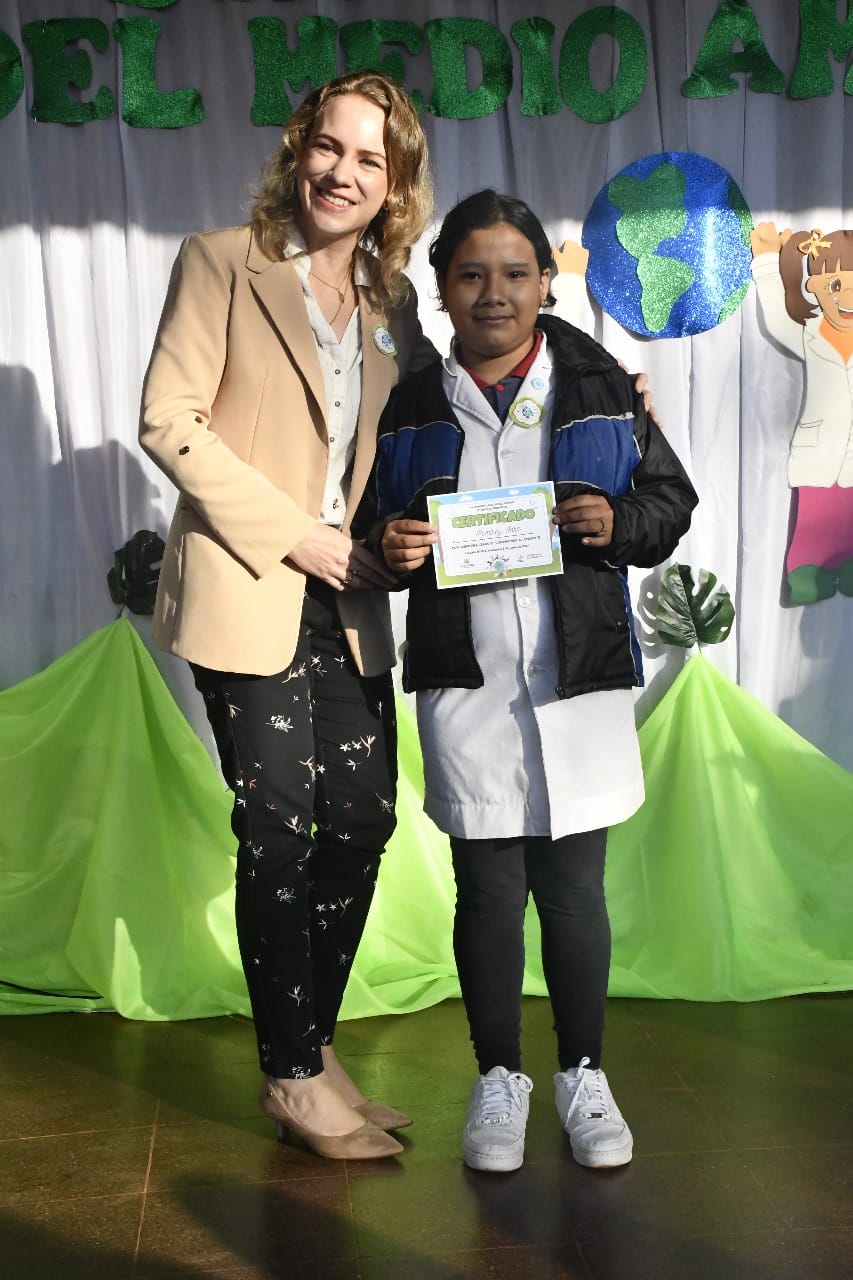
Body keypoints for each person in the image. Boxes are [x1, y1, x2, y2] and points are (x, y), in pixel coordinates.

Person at [353, 189, 698, 1173]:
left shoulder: (601, 385)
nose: (493, 293)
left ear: (547, 281)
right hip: (466, 678)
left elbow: (668, 503)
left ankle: (583, 1073)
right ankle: (498, 1076)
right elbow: (369, 523)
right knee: (489, 888)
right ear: (441, 287)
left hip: (577, 673)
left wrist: (616, 524)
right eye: (470, 274)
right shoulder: (411, 406)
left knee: (575, 886)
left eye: (514, 273)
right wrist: (391, 544)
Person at [139, 71, 437, 1161]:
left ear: (394, 185)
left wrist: (600, 391)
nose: (341, 172)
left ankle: (311, 1042)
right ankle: (291, 1074)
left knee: (362, 819)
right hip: (245, 581)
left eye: (369, 159)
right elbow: (168, 418)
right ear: (297, 149)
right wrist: (292, 533)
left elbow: (440, 423)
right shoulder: (221, 261)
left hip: (347, 599)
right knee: (278, 825)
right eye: (328, 146)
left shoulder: (394, 306)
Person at [750, 222, 853, 604]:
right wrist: (766, 261)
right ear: (813, 286)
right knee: (813, 518)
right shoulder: (810, 334)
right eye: (835, 285)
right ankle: (809, 577)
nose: (847, 297)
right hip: (819, 449)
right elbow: (778, 321)